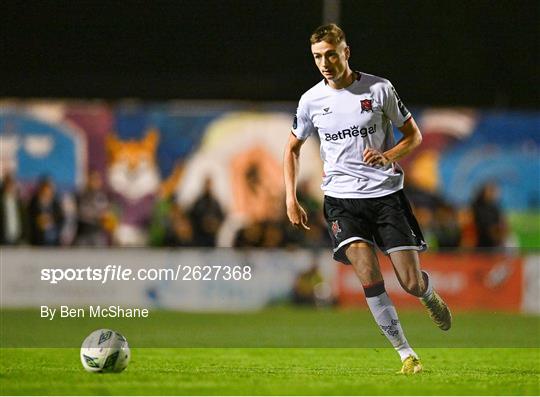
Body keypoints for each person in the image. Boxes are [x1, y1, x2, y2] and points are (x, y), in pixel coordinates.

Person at [283, 24, 452, 374]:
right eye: (317, 57)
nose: (325, 62)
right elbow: (292, 149)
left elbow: (413, 135)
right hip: (341, 201)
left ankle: (428, 294)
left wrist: (389, 155)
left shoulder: (378, 89)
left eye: (331, 53)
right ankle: (406, 354)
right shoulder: (311, 100)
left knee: (409, 282)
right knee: (369, 275)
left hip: (385, 196)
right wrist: (291, 197)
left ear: (346, 51)